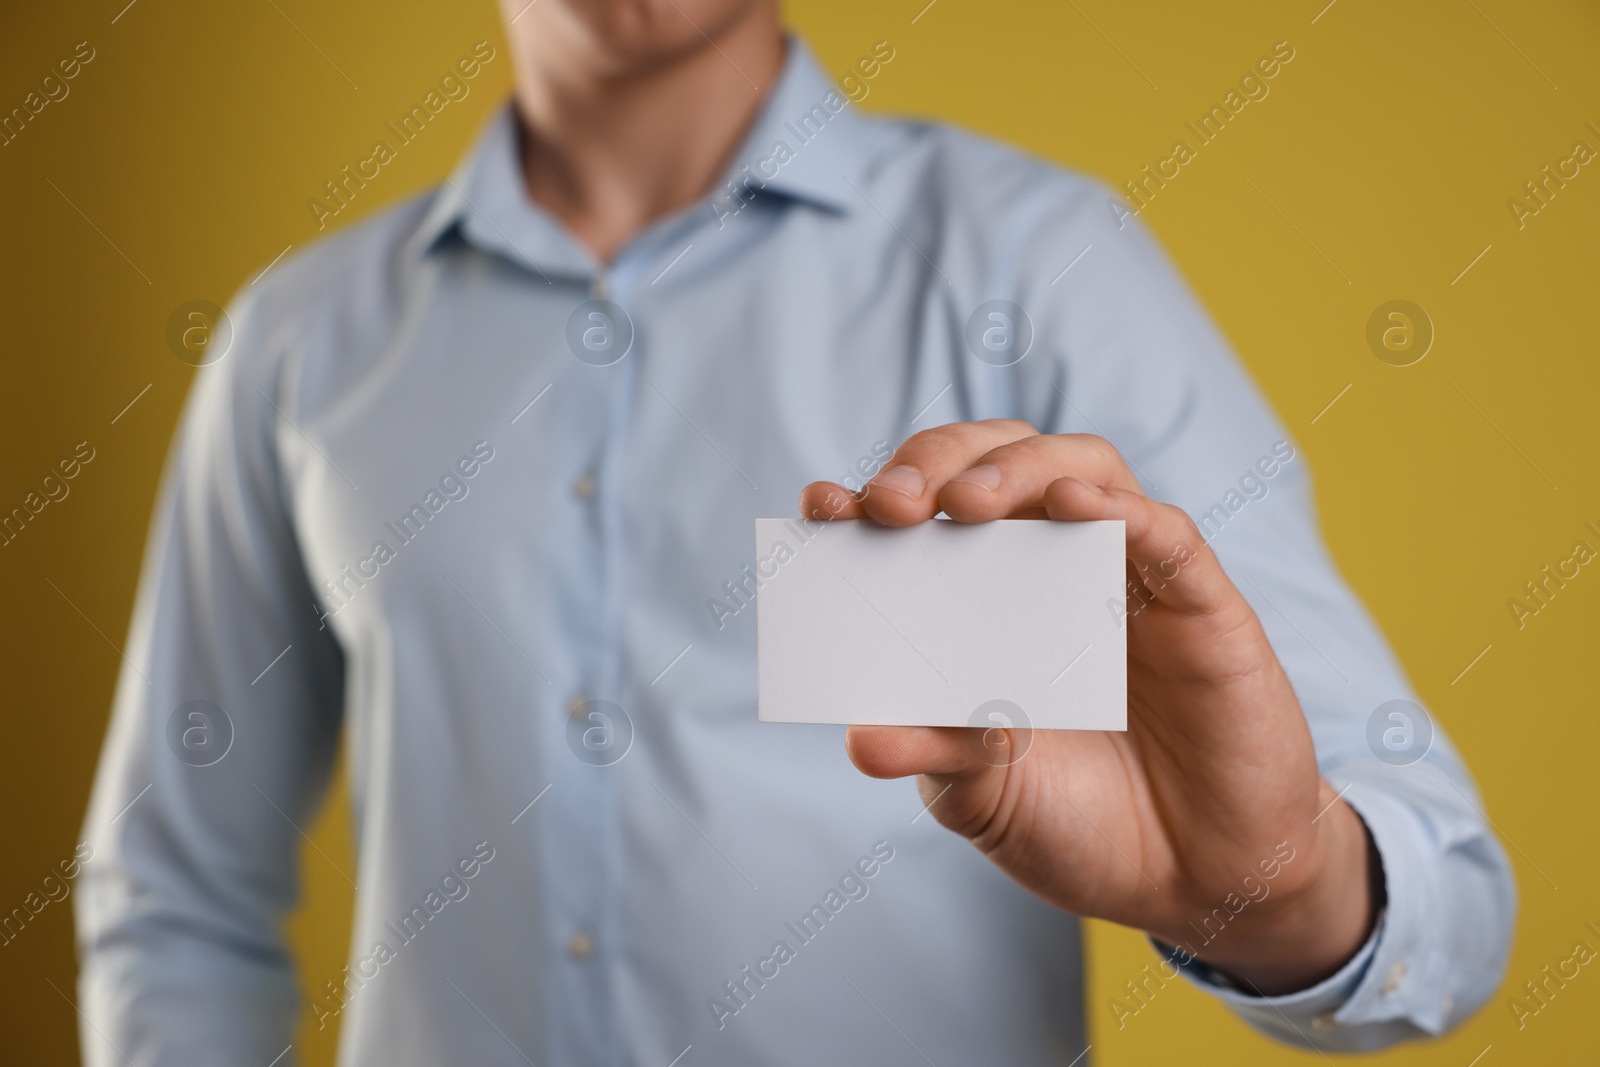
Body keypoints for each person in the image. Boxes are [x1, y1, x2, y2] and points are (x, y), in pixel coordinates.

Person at [76, 0, 1514, 1062]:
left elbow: (1441, 890)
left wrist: (1268, 893)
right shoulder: (295, 346)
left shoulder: (1040, 264)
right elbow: (176, 894)